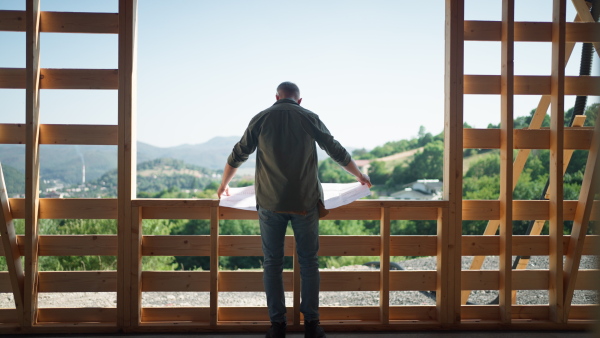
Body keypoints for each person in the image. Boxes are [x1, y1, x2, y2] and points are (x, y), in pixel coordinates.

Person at [217, 81, 371, 338]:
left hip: (270, 203)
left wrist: (224, 184)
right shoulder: (308, 117)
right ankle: (312, 324)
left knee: (272, 263)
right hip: (305, 202)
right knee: (309, 262)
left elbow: (238, 154)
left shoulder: (261, 118)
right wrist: (359, 176)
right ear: (299, 100)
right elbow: (335, 149)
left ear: (276, 97)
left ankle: (278, 326)